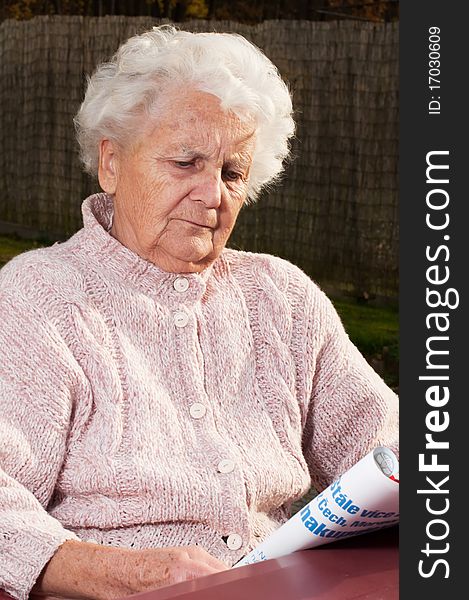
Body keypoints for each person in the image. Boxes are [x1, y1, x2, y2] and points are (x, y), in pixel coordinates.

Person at [0, 25, 398, 600]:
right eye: (186, 162)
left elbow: (386, 440)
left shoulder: (281, 298)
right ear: (111, 162)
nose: (213, 196)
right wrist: (136, 575)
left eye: (232, 173)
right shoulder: (38, 299)